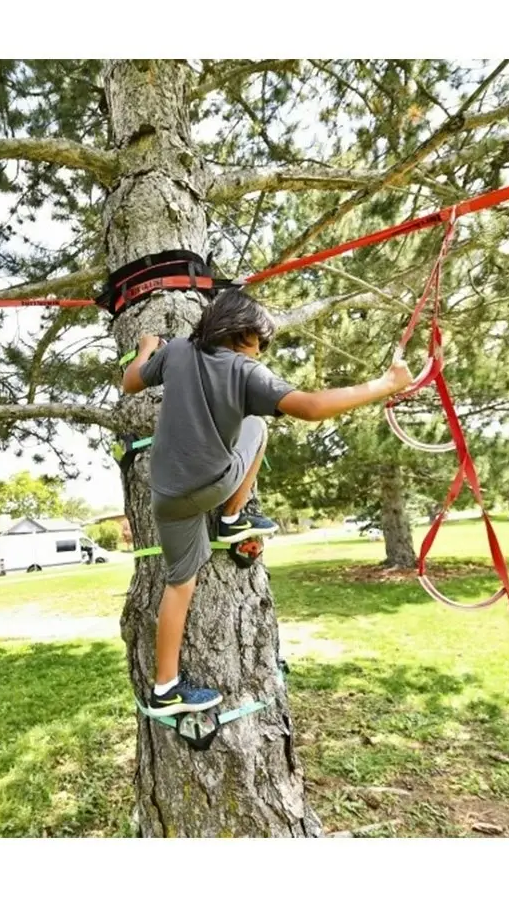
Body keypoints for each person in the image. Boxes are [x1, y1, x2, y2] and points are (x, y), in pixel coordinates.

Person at [122, 287, 414, 716]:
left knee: (179, 583)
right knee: (258, 427)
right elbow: (311, 407)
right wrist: (386, 383)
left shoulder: (178, 351)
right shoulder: (245, 370)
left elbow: (131, 381)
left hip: (165, 495)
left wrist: (147, 347)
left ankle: (164, 689)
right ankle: (233, 517)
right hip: (212, 488)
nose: (261, 352)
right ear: (243, 333)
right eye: (260, 342)